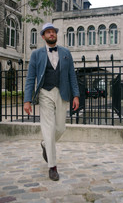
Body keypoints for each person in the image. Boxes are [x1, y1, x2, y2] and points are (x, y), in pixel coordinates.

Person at [24, 22, 80, 181]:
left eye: (53, 32)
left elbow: (72, 77)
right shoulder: (36, 54)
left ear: (56, 34)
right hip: (44, 93)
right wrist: (27, 100)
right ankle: (52, 167)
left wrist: (76, 95)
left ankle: (45, 144)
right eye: (47, 32)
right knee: (48, 128)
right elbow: (30, 79)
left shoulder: (66, 53)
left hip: (62, 93)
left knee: (60, 128)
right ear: (43, 36)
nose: (51, 34)